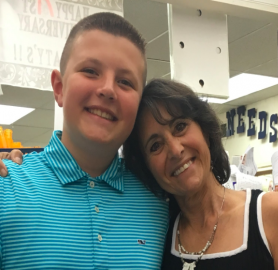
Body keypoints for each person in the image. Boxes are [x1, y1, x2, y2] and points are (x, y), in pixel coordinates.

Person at [0, 13, 168, 269]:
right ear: (59, 88)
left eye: (125, 82)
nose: (108, 89)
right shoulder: (6, 188)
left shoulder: (161, 201)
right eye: (90, 71)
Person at [123, 79, 278, 270]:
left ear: (204, 130)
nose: (175, 150)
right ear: (147, 168)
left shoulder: (271, 214)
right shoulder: (159, 237)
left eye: (180, 126)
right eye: (155, 146)